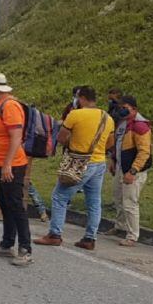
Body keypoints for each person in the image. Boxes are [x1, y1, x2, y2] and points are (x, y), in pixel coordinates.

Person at [36, 86, 114, 250]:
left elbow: (61, 137)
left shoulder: (75, 114)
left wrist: (73, 145)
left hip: (79, 162)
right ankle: (90, 237)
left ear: (82, 98)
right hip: (99, 162)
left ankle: (55, 234)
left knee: (59, 196)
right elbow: (110, 142)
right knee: (94, 201)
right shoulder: (107, 117)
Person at [0, 73, 33, 267]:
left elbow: (16, 137)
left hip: (11, 166)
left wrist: (7, 163)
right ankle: (7, 243)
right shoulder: (0, 107)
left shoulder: (10, 107)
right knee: (5, 203)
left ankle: (25, 248)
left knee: (15, 205)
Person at [107, 95, 152, 246]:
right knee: (118, 198)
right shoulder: (123, 123)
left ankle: (132, 235)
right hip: (121, 166)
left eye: (125, 108)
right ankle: (120, 226)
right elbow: (118, 143)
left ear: (134, 109)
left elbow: (144, 152)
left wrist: (133, 171)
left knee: (130, 202)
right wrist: (113, 159)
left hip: (133, 170)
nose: (121, 110)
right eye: (120, 107)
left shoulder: (140, 126)